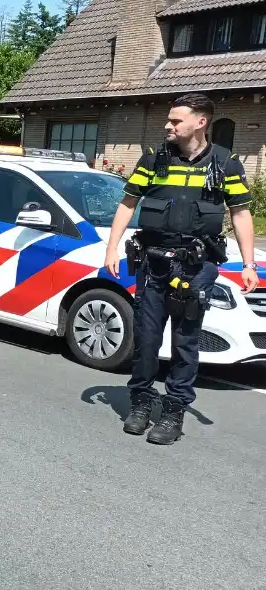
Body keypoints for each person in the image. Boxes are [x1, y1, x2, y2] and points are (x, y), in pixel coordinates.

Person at [104, 92, 259, 445]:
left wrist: (249, 264)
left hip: (196, 265)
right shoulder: (154, 158)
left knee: (185, 342)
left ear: (200, 122)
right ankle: (141, 402)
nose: (168, 125)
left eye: (176, 120)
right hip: (153, 262)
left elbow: (240, 213)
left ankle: (174, 410)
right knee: (146, 339)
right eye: (169, 120)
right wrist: (112, 247)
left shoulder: (225, 163)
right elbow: (128, 203)